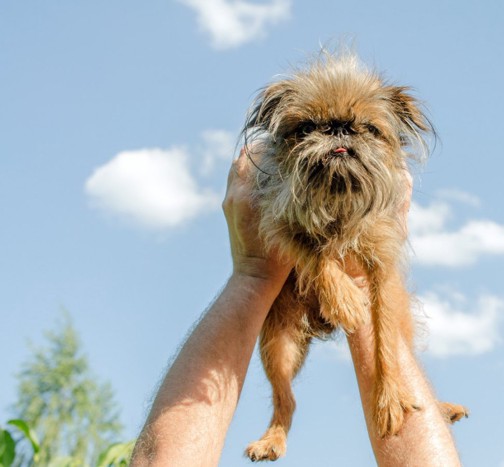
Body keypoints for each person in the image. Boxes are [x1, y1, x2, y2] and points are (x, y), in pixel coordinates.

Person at [130, 153, 462, 466]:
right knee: (280, 340)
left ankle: (417, 403)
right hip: (289, 293)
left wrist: (252, 274)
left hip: (309, 277)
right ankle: (281, 417)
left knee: (389, 301)